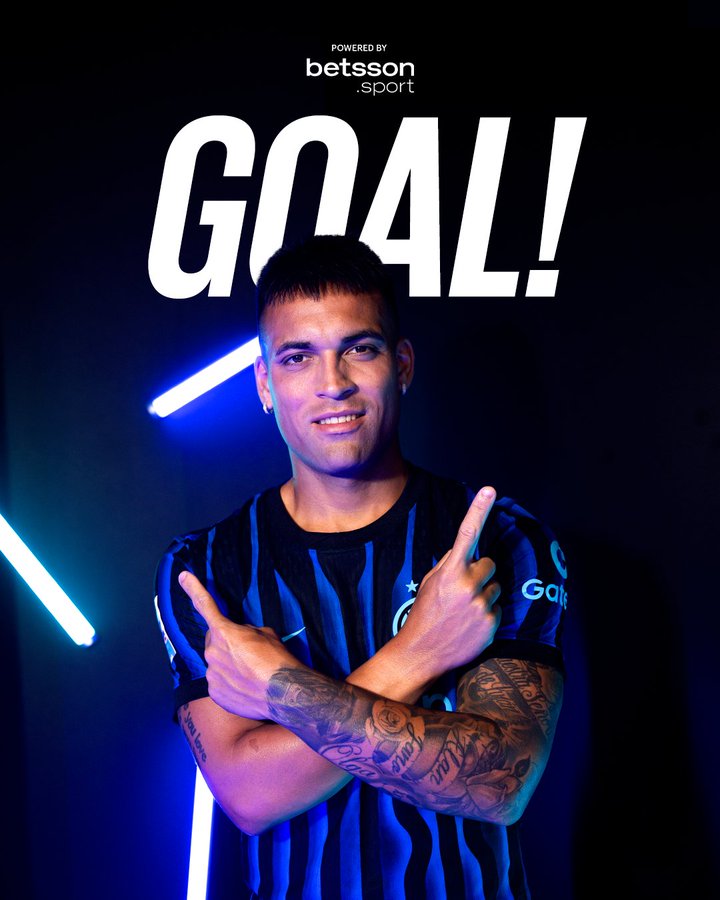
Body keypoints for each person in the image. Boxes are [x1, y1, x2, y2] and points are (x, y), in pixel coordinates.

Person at [154, 234, 567, 900]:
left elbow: (500, 782)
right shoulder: (206, 569)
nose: (333, 384)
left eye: (360, 348)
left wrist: (282, 690)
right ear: (265, 384)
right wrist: (416, 654)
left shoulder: (504, 539)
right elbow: (250, 797)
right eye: (297, 358)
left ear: (401, 364)